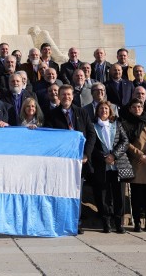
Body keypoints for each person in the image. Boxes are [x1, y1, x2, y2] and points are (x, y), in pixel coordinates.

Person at [44, 84, 96, 234]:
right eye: (63, 95)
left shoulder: (82, 113)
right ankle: (60, 222)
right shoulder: (52, 115)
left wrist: (86, 154)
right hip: (61, 162)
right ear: (58, 97)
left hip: (79, 161)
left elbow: (91, 134)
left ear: (73, 96)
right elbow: (49, 137)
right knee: (60, 192)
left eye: (68, 94)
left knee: (76, 193)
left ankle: (75, 222)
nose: (66, 97)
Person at [122, 98, 146, 232]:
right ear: (130, 109)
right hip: (136, 162)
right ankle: (137, 222)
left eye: (139, 107)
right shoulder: (125, 123)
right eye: (134, 107)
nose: (137, 109)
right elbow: (126, 143)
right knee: (137, 195)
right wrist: (140, 155)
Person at [91, 101, 129, 233]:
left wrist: (114, 155)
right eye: (101, 108)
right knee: (103, 195)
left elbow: (125, 141)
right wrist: (104, 157)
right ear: (97, 111)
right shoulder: (93, 126)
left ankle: (119, 223)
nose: (104, 111)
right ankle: (106, 222)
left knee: (118, 195)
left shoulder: (117, 125)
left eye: (106, 108)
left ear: (110, 111)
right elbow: (92, 145)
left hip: (116, 166)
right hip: (102, 166)